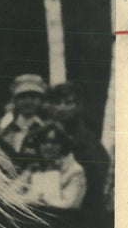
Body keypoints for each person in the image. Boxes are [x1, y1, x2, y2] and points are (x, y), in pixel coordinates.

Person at [47, 82, 111, 214]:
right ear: (51, 106)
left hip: (81, 208)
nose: (62, 108)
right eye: (57, 103)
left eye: (68, 103)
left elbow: (98, 176)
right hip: (48, 204)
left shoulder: (87, 140)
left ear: (78, 106)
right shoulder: (45, 135)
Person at [0, 74, 47, 165]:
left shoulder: (46, 127)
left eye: (33, 97)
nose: (28, 102)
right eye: (22, 97)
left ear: (41, 100)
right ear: (14, 100)